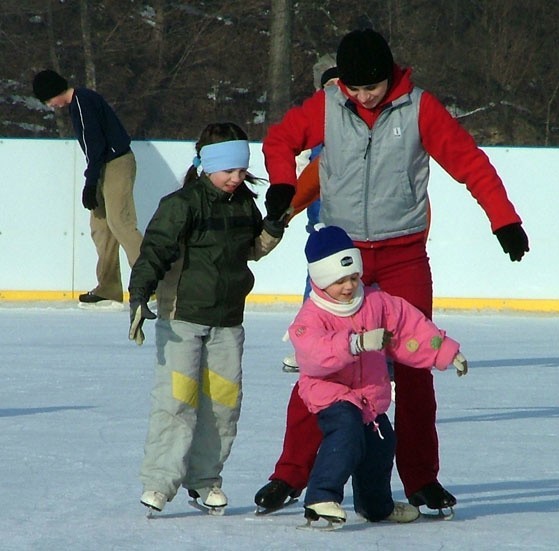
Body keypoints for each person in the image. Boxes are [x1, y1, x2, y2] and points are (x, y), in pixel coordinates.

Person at [256, 28, 529, 515]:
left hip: (403, 255)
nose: (363, 97)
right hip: (343, 258)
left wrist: (503, 218)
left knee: (417, 363)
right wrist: (281, 184)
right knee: (322, 365)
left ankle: (422, 479)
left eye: (372, 88)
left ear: (390, 76)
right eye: (354, 89)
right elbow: (279, 138)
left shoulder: (420, 108)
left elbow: (469, 161)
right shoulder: (328, 104)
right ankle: (290, 474)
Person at [127, 122, 284, 515]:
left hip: (229, 321)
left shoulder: (245, 203)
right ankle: (160, 482)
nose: (235, 178)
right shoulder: (182, 204)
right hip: (183, 320)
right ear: (206, 165)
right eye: (228, 170)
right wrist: (139, 295)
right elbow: (155, 251)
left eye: (240, 170)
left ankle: (205, 478)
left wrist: (274, 224)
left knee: (223, 406)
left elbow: (251, 250)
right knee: (177, 401)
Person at [291, 224, 467, 528]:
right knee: (346, 431)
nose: (348, 287)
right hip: (329, 392)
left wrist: (446, 352)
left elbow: (409, 327)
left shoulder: (375, 302)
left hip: (368, 399)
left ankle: (376, 505)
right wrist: (355, 343)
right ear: (320, 280)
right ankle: (321, 495)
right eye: (338, 281)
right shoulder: (312, 315)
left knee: (383, 442)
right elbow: (313, 355)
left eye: (353, 277)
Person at [32, 69, 143, 305]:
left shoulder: (82, 101)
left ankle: (153, 281)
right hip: (104, 165)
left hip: (116, 163)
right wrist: (93, 180)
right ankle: (108, 288)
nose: (50, 105)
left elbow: (95, 144)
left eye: (48, 100)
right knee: (101, 227)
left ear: (54, 92)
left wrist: (90, 182)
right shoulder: (78, 104)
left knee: (120, 223)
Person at [282, 55, 339, 373]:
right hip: (321, 214)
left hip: (355, 216)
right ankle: (308, 343)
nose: (333, 91)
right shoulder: (312, 121)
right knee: (318, 275)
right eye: (327, 85)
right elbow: (300, 164)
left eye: (338, 84)